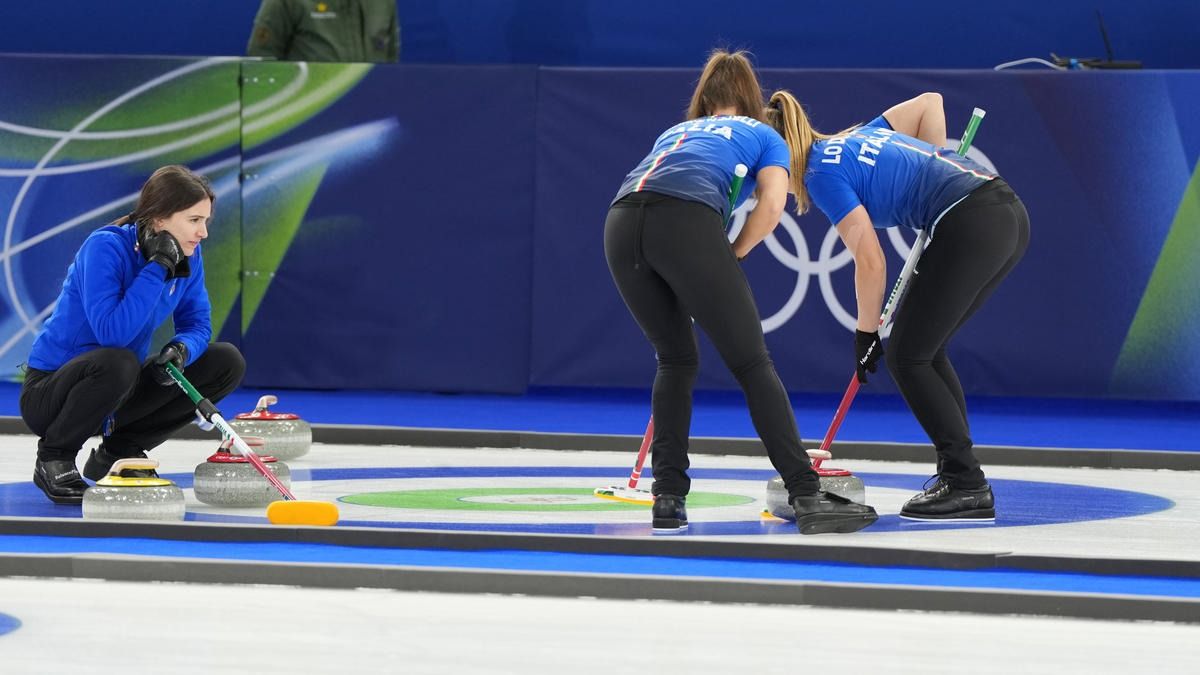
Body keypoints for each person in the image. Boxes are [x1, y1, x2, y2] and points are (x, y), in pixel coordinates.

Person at [604, 50, 878, 535]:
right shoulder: (764, 134)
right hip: (686, 221)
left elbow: (657, 190)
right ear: (752, 98)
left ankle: (667, 498)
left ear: (704, 98)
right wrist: (733, 252)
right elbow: (772, 206)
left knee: (674, 359)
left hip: (621, 224)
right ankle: (806, 494)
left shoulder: (676, 131)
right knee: (752, 363)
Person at [763, 90, 1030, 521]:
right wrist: (932, 166)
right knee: (925, 351)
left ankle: (967, 483)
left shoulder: (820, 175)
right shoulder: (855, 138)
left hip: (973, 221)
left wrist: (866, 334)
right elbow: (929, 103)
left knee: (908, 356)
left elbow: (871, 260)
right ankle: (958, 475)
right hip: (1005, 213)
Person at [20, 166, 246, 505]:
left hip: (118, 389)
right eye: (194, 220)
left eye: (205, 221)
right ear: (159, 219)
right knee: (119, 361)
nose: (203, 233)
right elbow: (113, 334)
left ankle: (118, 450)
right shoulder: (105, 247)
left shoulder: (190, 255)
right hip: (53, 394)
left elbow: (198, 325)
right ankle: (54, 456)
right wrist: (158, 266)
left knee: (225, 361)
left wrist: (182, 349)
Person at [247, 0, 400, 63]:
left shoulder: (383, 3)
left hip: (368, 112)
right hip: (310, 111)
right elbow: (261, 60)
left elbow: (391, 62)